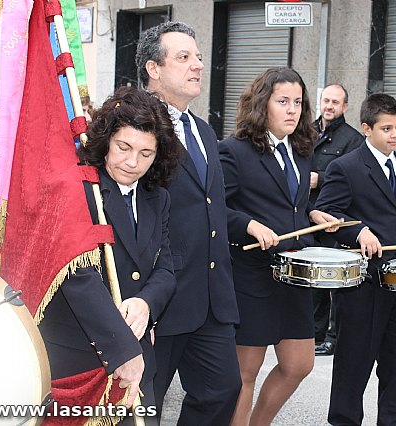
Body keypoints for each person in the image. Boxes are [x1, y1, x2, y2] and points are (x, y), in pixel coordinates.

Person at [38, 86, 180, 424]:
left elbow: (166, 269)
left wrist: (146, 303)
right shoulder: (78, 188)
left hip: (140, 359)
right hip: (82, 360)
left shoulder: (157, 198)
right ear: (106, 139)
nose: (133, 162)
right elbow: (78, 277)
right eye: (124, 147)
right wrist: (122, 350)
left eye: (146, 153)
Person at [218, 67, 339, 426]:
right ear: (262, 104)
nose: (292, 110)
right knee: (245, 374)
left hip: (292, 275)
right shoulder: (233, 151)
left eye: (298, 102)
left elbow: (292, 206)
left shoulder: (302, 152)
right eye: (282, 101)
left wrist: (313, 215)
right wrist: (249, 225)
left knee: (299, 364)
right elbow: (214, 211)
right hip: (251, 277)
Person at [136, 21, 242, 425]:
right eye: (183, 57)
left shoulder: (202, 130)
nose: (197, 65)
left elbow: (211, 208)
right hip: (159, 299)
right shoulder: (136, 129)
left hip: (211, 298)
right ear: (154, 69)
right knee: (144, 405)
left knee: (222, 390)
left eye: (198, 57)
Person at [316, 93, 396, 425]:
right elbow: (326, 212)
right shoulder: (344, 167)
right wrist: (358, 231)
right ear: (366, 128)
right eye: (387, 128)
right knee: (354, 364)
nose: (395, 135)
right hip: (363, 284)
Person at [310, 83, 364, 357]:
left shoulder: (353, 139)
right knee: (314, 281)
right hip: (307, 217)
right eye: (326, 100)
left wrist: (320, 179)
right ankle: (315, 333)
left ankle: (333, 336)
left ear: (345, 107)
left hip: (333, 219)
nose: (329, 106)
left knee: (334, 282)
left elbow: (355, 180)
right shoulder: (304, 132)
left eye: (336, 102)